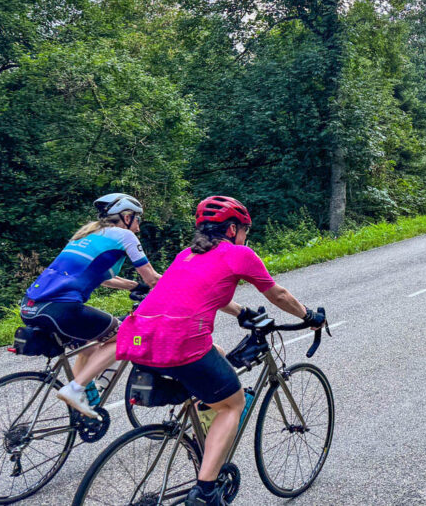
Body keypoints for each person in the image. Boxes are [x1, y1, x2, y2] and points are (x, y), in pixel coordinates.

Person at [116, 195, 325, 506]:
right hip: (182, 341)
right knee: (232, 403)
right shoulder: (239, 254)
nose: (245, 238)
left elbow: (200, 290)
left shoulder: (185, 255)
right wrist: (309, 316)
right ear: (231, 230)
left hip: (138, 338)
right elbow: (278, 295)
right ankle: (206, 490)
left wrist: (241, 311)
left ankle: (203, 435)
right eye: (244, 231)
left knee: (217, 356)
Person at [20, 193, 162, 418]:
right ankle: (75, 389)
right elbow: (153, 279)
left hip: (31, 307)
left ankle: (80, 409)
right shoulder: (124, 236)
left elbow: (104, 278)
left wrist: (134, 286)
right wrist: (178, 289)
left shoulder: (86, 235)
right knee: (125, 334)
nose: (138, 226)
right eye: (137, 219)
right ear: (126, 217)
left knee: (93, 346)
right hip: (62, 309)